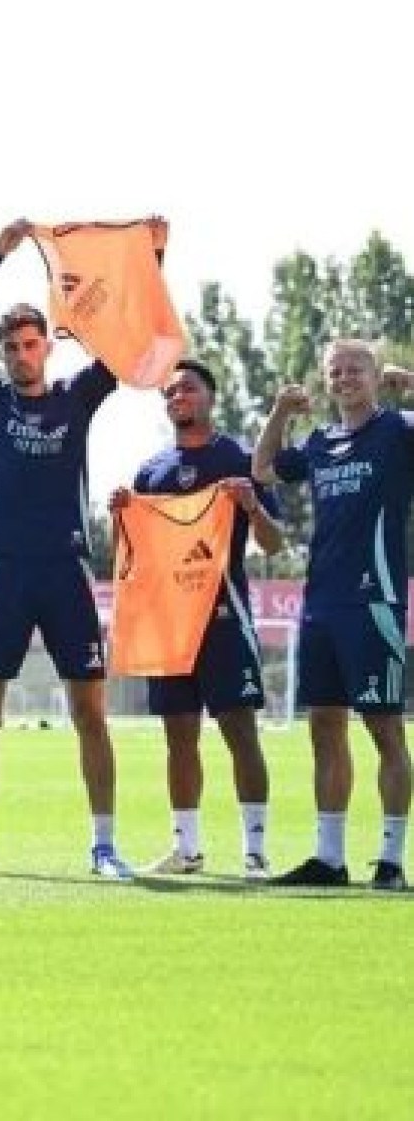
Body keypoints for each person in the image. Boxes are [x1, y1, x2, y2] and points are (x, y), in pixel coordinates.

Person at [0, 218, 158, 881]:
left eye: (32, 343)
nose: (22, 353)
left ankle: (104, 845)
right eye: (12, 345)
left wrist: (152, 258)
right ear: (3, 352)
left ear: (47, 348)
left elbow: (129, 335)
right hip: (2, 567)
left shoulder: (76, 398)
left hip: (65, 570)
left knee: (90, 709)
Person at [109, 358, 282, 879]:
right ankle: (186, 848)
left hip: (223, 617)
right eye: (169, 392)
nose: (177, 396)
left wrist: (252, 506)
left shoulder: (239, 458)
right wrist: (119, 515)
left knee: (238, 729)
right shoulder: (151, 471)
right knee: (178, 734)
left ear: (210, 396)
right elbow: (131, 556)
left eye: (187, 388)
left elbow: (273, 542)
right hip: (170, 623)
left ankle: (254, 849)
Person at [253, 339, 412, 890]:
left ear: (374, 375)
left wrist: (410, 387)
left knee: (385, 729)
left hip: (375, 601)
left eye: (355, 370)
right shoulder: (321, 442)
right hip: (321, 603)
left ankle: (391, 860)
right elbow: (264, 469)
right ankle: (330, 857)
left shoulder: (397, 431)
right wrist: (279, 411)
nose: (344, 379)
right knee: (324, 726)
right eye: (335, 372)